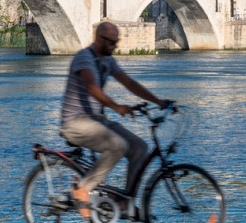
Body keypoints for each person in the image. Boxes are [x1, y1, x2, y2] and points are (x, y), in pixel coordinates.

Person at [60, 22, 169, 206]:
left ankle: (125, 202)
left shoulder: (107, 61)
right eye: (111, 42)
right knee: (117, 146)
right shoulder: (84, 57)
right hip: (75, 123)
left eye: (116, 41)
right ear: (99, 39)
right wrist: (116, 106)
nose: (115, 45)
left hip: (98, 121)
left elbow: (129, 82)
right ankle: (82, 190)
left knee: (139, 147)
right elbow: (92, 87)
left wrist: (158, 101)